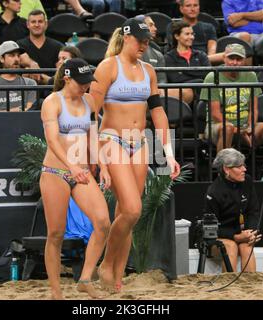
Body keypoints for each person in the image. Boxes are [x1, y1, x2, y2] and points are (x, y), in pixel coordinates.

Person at [90, 18, 181, 293]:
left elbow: (158, 113)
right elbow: (90, 114)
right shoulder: (107, 67)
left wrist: (168, 153)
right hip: (112, 139)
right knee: (132, 209)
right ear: (126, 37)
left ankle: (115, 278)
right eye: (140, 39)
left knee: (127, 215)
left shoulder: (148, 71)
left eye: (147, 40)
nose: (144, 44)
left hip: (140, 142)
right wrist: (97, 158)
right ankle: (106, 264)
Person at [40, 58, 111, 299]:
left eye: (88, 82)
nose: (86, 87)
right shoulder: (52, 102)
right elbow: (51, 140)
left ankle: (84, 278)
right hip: (56, 172)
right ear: (67, 78)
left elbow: (93, 136)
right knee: (56, 234)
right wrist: (71, 165)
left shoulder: (89, 100)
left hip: (81, 172)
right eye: (81, 82)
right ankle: (55, 291)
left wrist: (104, 167)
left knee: (102, 222)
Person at [199, 43, 263, 180]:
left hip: (244, 126)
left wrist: (249, 128)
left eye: (238, 59)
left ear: (244, 60)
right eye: (231, 58)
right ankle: (223, 176)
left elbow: (253, 109)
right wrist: (239, 130)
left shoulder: (250, 75)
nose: (234, 63)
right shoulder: (213, 77)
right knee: (228, 128)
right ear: (224, 58)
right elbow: (215, 113)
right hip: (217, 126)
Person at [204, 148, 262, 272]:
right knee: (230, 246)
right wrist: (235, 237)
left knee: (247, 246)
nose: (244, 170)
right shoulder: (214, 192)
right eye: (239, 167)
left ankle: (251, 286)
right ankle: (229, 287)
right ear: (226, 169)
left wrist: (251, 233)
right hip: (218, 237)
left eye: (244, 165)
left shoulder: (247, 181)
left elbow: (253, 211)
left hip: (241, 233)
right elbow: (211, 230)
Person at [0, 41, 37, 111]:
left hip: (24, 121)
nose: (16, 59)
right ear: (2, 59)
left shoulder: (30, 83)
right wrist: (18, 110)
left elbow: (30, 111)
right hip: (0, 121)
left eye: (18, 56)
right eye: (12, 55)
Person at [165, 20, 211, 104]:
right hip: (181, 100)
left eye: (192, 34)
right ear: (177, 36)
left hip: (202, 99)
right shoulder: (169, 57)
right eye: (187, 34)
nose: (191, 37)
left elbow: (208, 75)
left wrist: (184, 73)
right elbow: (176, 79)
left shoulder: (201, 55)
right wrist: (198, 79)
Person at [166, 0, 223, 64]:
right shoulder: (173, 26)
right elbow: (173, 47)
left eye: (195, 5)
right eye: (188, 6)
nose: (192, 9)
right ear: (181, 9)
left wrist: (203, 60)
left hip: (204, 61)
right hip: (179, 60)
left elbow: (212, 51)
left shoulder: (209, 27)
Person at [17, 10, 63, 85]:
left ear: (46, 24)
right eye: (33, 22)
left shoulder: (58, 46)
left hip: (51, 91)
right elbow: (20, 58)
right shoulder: (19, 44)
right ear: (28, 24)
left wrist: (38, 75)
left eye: (40, 21)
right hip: (26, 91)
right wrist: (32, 64)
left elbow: (61, 73)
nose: (37, 25)